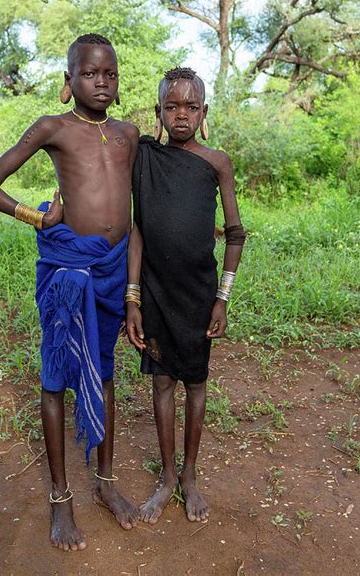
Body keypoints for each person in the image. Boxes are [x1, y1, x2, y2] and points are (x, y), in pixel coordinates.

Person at [0, 33, 140, 551]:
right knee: (54, 378)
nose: (102, 82)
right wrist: (36, 216)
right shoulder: (54, 128)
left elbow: (137, 216)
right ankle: (61, 498)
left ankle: (106, 484)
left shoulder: (129, 133)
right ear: (68, 82)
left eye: (110, 73)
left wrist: (134, 291)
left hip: (113, 270)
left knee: (105, 371)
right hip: (69, 267)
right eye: (90, 74)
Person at [126, 67, 245, 525]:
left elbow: (234, 235)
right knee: (161, 383)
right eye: (171, 107)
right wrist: (132, 297)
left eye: (190, 107)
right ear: (158, 112)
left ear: (204, 112)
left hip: (198, 293)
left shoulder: (216, 162)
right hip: (155, 290)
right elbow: (138, 229)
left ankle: (191, 476)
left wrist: (223, 297)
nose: (181, 115)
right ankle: (168, 478)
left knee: (195, 383)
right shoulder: (144, 157)